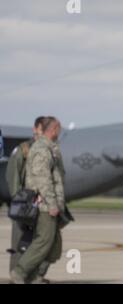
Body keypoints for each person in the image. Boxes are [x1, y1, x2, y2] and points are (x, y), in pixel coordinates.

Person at [10, 117, 66, 284]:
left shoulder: (49, 148)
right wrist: (52, 204)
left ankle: (36, 276)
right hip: (44, 206)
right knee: (44, 241)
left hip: (51, 204)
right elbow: (43, 179)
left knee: (54, 245)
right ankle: (20, 273)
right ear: (53, 129)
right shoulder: (42, 150)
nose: (59, 132)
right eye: (58, 128)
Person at [5, 116, 45, 275]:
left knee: (39, 241)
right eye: (42, 130)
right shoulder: (24, 149)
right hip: (25, 202)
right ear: (35, 129)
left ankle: (34, 274)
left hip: (41, 203)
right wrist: (19, 200)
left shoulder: (49, 150)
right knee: (20, 240)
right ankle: (16, 273)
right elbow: (12, 175)